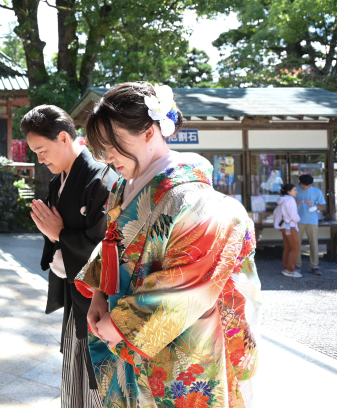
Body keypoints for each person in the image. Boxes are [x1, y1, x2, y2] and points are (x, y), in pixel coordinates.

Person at [74, 82, 261, 408]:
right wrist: (100, 295)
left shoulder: (194, 199)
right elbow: (111, 244)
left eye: (113, 145)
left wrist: (122, 325)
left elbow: (191, 283)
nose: (108, 157)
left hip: (179, 342)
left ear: (149, 131)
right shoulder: (123, 187)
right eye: (102, 148)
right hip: (121, 331)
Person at [23, 105, 117, 408]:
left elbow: (106, 248)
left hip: (96, 299)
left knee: (96, 377)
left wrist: (59, 234)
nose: (40, 159)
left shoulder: (99, 179)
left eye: (42, 150)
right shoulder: (59, 180)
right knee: (74, 373)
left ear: (64, 137)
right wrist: (54, 233)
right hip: (74, 293)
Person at [295, 174, 325, 276]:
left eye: (306, 185)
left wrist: (313, 205)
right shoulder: (295, 190)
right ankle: (297, 265)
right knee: (297, 244)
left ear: (311, 184)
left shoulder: (317, 191)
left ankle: (314, 266)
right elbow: (288, 202)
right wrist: (295, 202)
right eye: (302, 184)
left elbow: (322, 207)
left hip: (312, 221)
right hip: (297, 220)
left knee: (314, 244)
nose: (304, 187)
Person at [274, 183, 301, 278]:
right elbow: (294, 216)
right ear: (289, 191)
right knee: (295, 248)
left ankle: (286, 268)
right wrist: (298, 219)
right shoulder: (290, 200)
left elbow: (275, 213)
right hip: (290, 225)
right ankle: (290, 270)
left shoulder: (282, 200)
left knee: (288, 247)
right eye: (295, 190)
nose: (296, 192)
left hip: (283, 226)